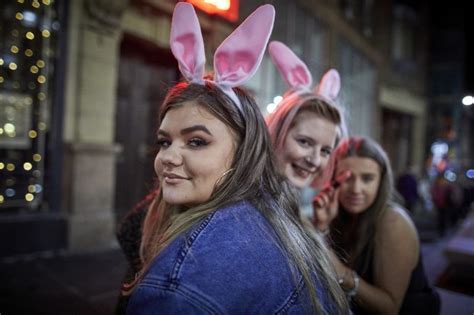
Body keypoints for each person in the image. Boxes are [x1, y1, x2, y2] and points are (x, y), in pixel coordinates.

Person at [121, 3, 348, 314]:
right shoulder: (171, 224)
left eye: (196, 141)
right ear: (272, 135)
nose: (314, 159)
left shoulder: (272, 214)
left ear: (244, 150)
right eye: (164, 141)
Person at [313, 136, 440, 314]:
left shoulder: (392, 221)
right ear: (333, 180)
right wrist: (321, 226)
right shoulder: (338, 214)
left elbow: (390, 308)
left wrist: (342, 273)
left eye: (367, 179)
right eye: (347, 178)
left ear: (381, 181)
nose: (356, 189)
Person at [266, 41, 347, 192]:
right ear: (275, 133)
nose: (315, 160)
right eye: (304, 142)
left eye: (325, 151)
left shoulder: (283, 201)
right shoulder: (246, 206)